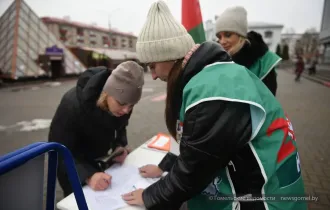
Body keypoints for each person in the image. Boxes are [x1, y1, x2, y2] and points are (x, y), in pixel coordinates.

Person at [121, 1, 307, 210]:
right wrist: (166, 167)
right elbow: (199, 147)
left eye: (152, 66)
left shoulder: (212, 91)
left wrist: (150, 196)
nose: (152, 75)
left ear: (169, 55)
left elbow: (194, 170)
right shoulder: (210, 77)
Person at [48, 61, 144, 197]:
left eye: (131, 105)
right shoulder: (71, 105)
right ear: (107, 93)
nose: (126, 110)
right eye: (122, 103)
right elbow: (59, 151)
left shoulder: (122, 104)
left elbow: (120, 126)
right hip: (74, 167)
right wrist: (88, 176)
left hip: (100, 160)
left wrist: (119, 145)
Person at [214, 6, 281, 96]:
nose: (222, 41)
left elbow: (268, 102)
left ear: (241, 35)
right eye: (219, 37)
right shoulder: (218, 61)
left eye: (228, 35)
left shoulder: (263, 63)